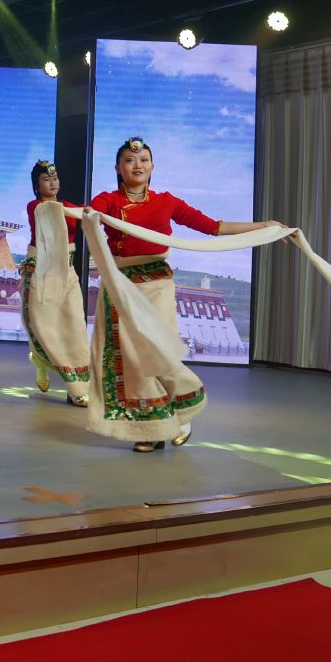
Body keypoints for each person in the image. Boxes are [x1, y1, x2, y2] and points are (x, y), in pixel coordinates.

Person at [86, 136, 281, 452]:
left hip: (156, 283)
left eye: (144, 160)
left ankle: (181, 409)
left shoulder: (167, 202)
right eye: (130, 161)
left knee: (156, 351)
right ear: (118, 168)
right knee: (131, 359)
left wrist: (264, 227)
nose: (137, 165)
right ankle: (151, 427)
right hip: (120, 285)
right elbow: (92, 213)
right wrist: (80, 214)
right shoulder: (109, 200)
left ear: (153, 166)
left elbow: (214, 227)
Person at [19, 160, 89, 406]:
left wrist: (92, 213)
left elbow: (85, 213)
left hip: (66, 271)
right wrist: (80, 212)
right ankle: (63, 378)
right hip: (42, 270)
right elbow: (51, 213)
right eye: (46, 179)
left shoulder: (67, 207)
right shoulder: (36, 207)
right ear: (37, 186)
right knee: (44, 326)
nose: (52, 183)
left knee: (75, 325)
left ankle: (79, 383)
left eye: (55, 178)